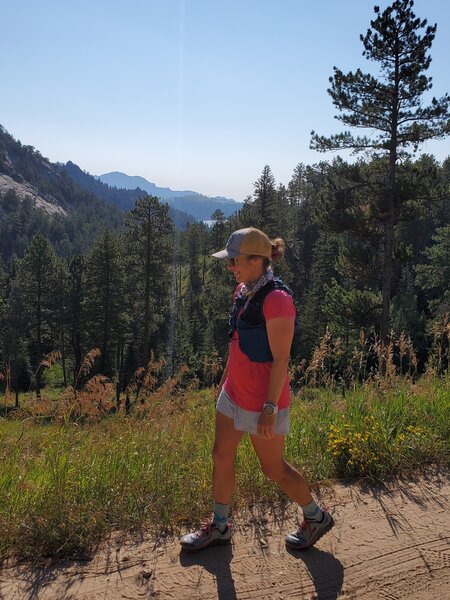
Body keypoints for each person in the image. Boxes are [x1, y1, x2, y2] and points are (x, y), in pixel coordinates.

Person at [180, 227, 334, 551]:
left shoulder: (278, 301)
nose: (230, 266)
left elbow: (281, 359)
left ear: (256, 260)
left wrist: (268, 409)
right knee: (221, 455)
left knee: (273, 469)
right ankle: (220, 526)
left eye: (234, 260)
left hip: (262, 403)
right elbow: (236, 342)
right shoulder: (242, 290)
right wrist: (225, 380)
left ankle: (316, 516)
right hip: (234, 394)